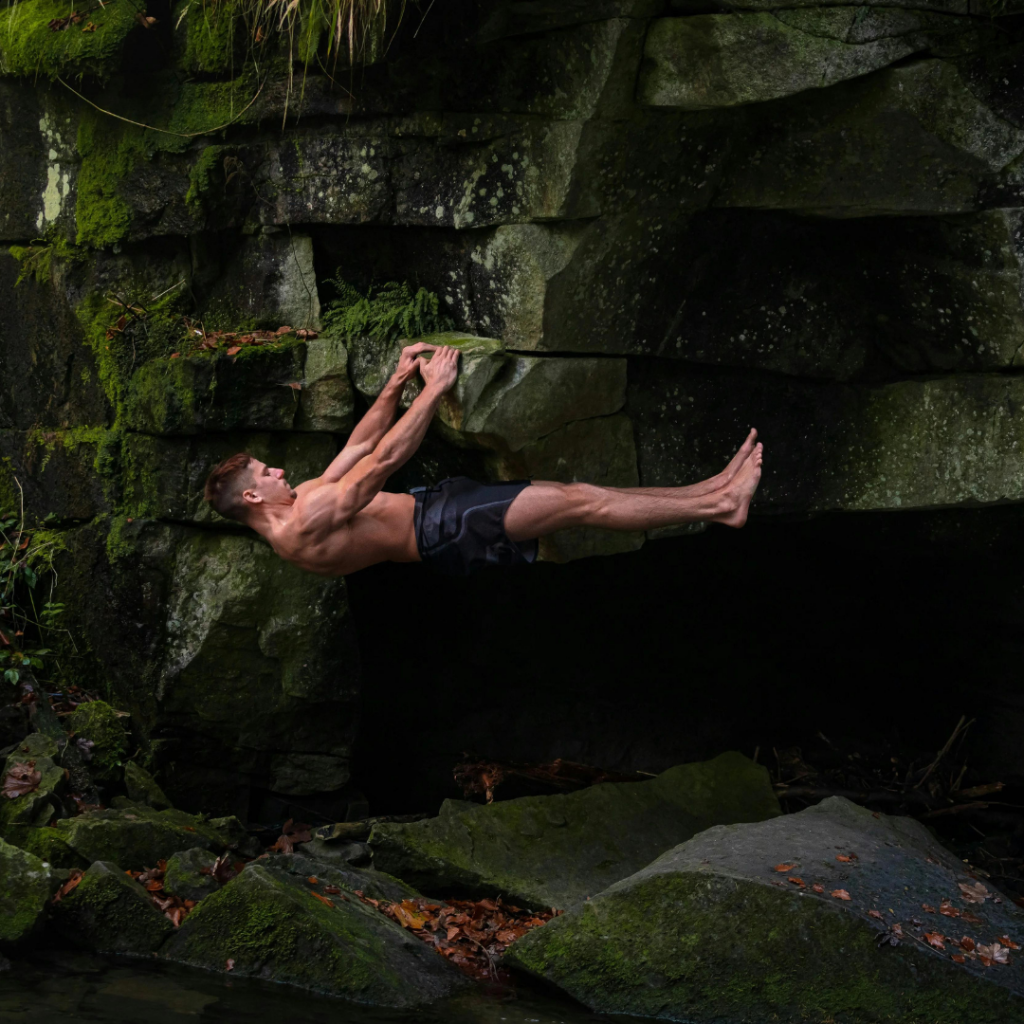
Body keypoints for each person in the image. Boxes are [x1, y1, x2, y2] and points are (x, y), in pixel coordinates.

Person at [203, 343, 763, 576]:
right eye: (267, 474)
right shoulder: (303, 524)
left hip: (438, 511)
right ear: (251, 496)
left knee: (578, 499)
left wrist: (397, 382)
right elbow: (383, 462)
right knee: (581, 502)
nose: (279, 471)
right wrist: (433, 389)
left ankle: (715, 489)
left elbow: (357, 447)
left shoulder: (299, 503)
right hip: (447, 529)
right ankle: (720, 505)